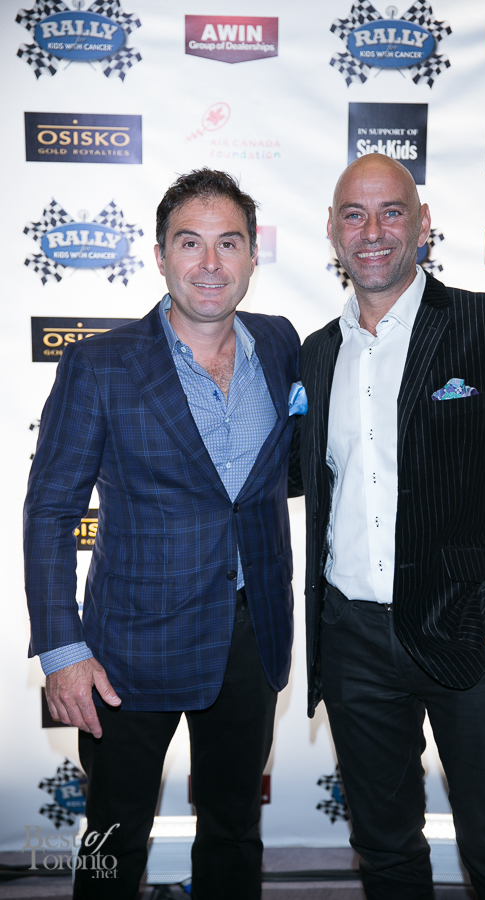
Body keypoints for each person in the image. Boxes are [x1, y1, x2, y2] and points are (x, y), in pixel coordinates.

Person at [289, 154, 485, 899]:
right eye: (354, 214)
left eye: (392, 212)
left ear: (423, 225)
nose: (373, 231)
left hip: (471, 632)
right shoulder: (315, 354)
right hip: (352, 638)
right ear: (332, 231)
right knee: (384, 852)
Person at [24, 168, 300, 900]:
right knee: (114, 839)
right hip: (127, 649)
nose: (210, 264)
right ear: (159, 255)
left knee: (235, 828)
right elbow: (50, 511)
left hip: (252, 636)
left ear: (252, 255)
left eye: (228, 243)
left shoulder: (280, 344)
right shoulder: (99, 364)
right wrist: (63, 651)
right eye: (189, 243)